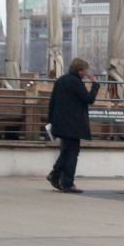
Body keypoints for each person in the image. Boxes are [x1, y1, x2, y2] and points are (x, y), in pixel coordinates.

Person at [46, 57, 101, 194]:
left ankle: (56, 175)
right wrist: (95, 84)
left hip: (60, 123)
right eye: (85, 70)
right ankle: (67, 183)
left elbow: (52, 102)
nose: (86, 73)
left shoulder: (61, 80)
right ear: (79, 70)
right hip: (73, 124)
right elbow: (89, 99)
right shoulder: (76, 82)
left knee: (66, 151)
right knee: (72, 153)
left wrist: (51, 121)